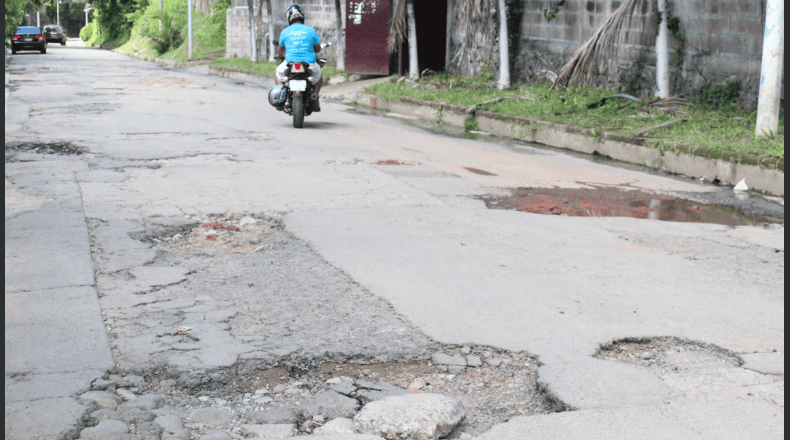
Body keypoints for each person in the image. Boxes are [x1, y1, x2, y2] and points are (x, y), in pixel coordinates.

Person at [275, 4, 323, 111]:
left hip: (290, 63)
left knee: (278, 74)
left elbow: (281, 50)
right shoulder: (311, 30)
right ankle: (314, 95)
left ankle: (281, 95)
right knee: (319, 77)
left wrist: (279, 56)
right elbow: (318, 49)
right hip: (309, 64)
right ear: (302, 17)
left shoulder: (285, 32)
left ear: (289, 18)